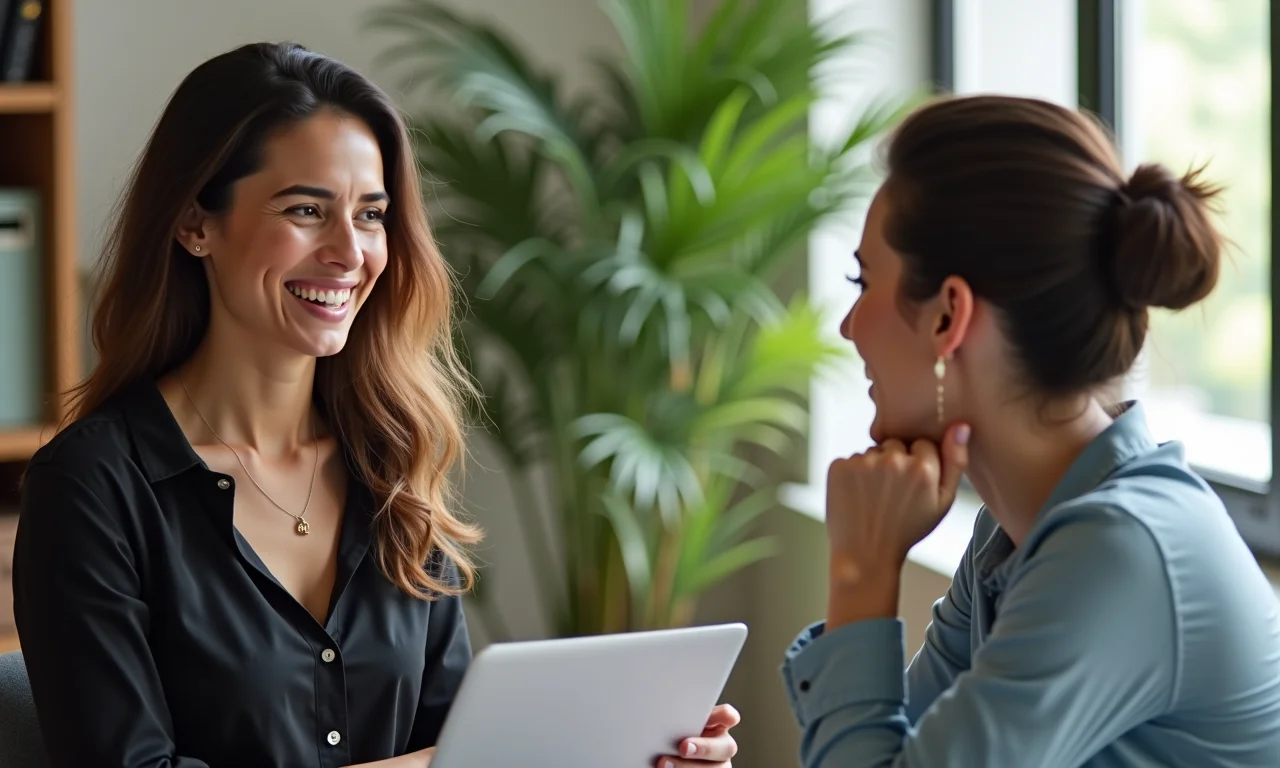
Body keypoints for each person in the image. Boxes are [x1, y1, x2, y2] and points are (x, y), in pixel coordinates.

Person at [12, 42, 739, 768]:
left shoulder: (393, 462)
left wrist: (629, 753)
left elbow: (466, 744)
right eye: (306, 210)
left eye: (370, 215)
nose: (350, 252)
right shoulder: (91, 490)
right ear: (195, 223)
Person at [781, 94, 1280, 766]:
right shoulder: (1014, 532)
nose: (848, 326)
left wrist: (860, 573)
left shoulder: (1120, 548)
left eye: (862, 281)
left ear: (946, 317)